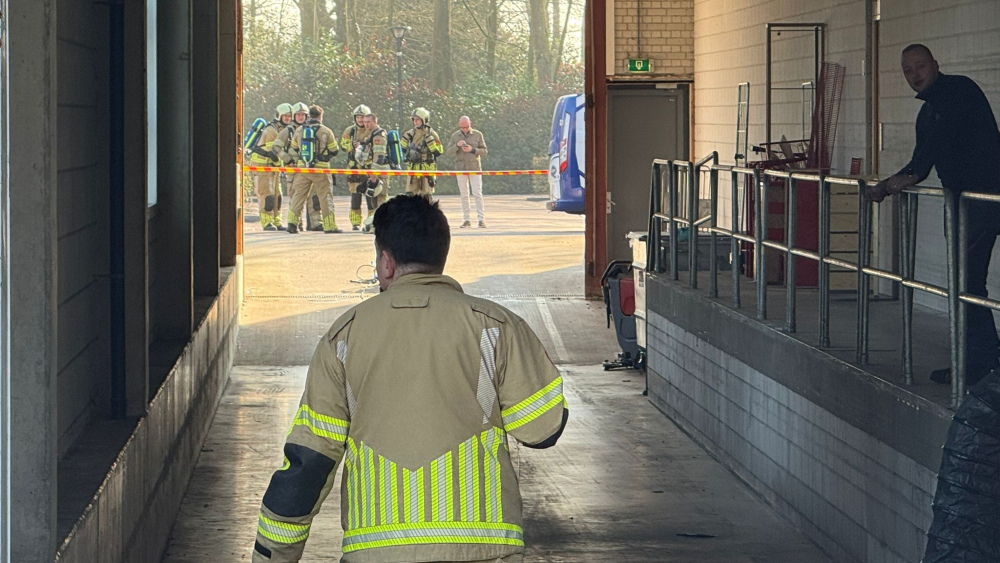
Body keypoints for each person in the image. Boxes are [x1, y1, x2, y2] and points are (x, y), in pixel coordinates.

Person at [250, 194, 569, 563]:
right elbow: (543, 429)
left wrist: (271, 556)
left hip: (376, 552)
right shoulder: (496, 326)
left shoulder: (344, 337)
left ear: (386, 262)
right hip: (483, 548)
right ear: (440, 257)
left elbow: (309, 463)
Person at [867, 44, 1000, 387]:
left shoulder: (957, 91)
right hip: (962, 203)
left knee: (968, 283)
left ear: (935, 65)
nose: (915, 75)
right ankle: (978, 363)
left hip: (981, 200)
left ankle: (982, 366)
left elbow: (931, 151)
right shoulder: (927, 113)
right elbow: (919, 160)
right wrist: (888, 183)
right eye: (908, 70)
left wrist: (907, 176)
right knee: (965, 284)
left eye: (920, 66)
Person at [286, 105, 342, 234]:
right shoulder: (326, 131)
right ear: (320, 116)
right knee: (325, 197)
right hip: (321, 170)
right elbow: (334, 150)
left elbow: (293, 148)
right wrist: (323, 156)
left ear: (308, 116)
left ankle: (292, 224)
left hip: (302, 169)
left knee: (298, 196)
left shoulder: (299, 130)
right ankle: (329, 226)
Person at [250, 103, 293, 231]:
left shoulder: (283, 129)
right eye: (285, 116)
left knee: (277, 195)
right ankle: (267, 222)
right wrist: (283, 166)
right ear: (279, 116)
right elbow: (273, 153)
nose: (288, 118)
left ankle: (277, 221)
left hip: (273, 167)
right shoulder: (271, 130)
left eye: (290, 116)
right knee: (266, 195)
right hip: (262, 166)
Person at [446, 116, 489, 228]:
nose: (465, 129)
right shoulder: (455, 136)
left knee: (477, 194)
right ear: (459, 126)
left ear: (470, 124)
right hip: (461, 168)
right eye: (462, 127)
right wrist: (457, 146)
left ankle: (481, 219)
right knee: (464, 195)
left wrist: (472, 150)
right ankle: (466, 220)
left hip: (474, 168)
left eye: (466, 127)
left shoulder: (478, 134)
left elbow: (484, 151)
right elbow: (448, 151)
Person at [274, 102, 311, 231]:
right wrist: (287, 159)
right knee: (294, 196)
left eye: (303, 115)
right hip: (293, 169)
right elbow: (276, 147)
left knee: (313, 198)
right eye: (298, 115)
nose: (301, 117)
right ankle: (296, 223)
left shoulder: (311, 129)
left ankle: (315, 224)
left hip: (309, 169)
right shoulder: (287, 131)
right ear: (294, 116)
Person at [356, 112, 389, 232]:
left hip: (380, 173)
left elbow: (379, 156)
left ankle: (382, 225)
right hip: (372, 172)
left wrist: (374, 174)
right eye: (364, 122)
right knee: (374, 199)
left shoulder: (378, 136)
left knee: (381, 198)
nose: (366, 124)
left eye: (368, 122)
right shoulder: (370, 135)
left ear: (375, 121)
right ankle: (376, 224)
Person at [342, 104, 373, 231]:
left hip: (368, 168)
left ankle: (371, 222)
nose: (360, 120)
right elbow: (343, 145)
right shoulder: (350, 131)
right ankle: (355, 223)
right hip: (354, 169)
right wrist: (352, 146)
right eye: (358, 117)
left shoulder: (372, 130)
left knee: (371, 197)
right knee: (355, 197)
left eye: (362, 117)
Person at [400, 107, 444, 196]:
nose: (415, 122)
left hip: (427, 168)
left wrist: (432, 145)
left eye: (418, 119)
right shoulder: (410, 133)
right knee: (410, 195)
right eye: (414, 119)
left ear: (424, 120)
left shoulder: (431, 134)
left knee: (426, 195)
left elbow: (439, 152)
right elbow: (402, 151)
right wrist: (403, 143)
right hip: (413, 168)